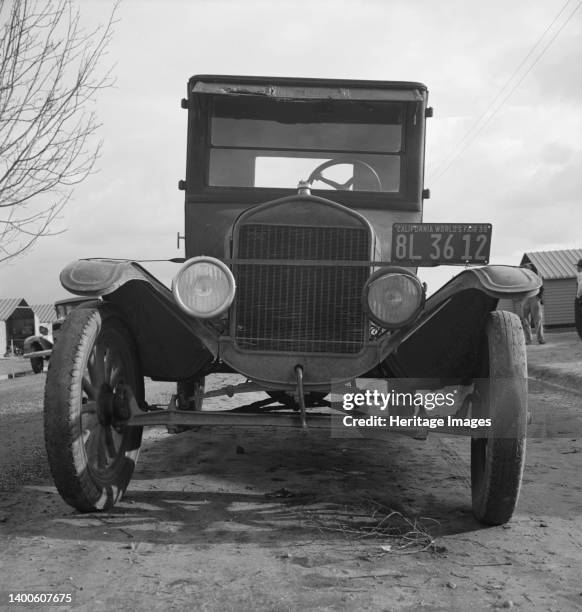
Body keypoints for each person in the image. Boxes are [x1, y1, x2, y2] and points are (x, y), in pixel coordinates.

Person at [520, 262, 546, 345]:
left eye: (526, 268)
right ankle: (528, 340)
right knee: (525, 320)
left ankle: (540, 338)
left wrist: (539, 297)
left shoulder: (536, 277)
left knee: (537, 320)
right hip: (525, 299)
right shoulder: (521, 279)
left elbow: (542, 288)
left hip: (535, 297)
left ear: (530, 269)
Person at [575, 259, 582, 340]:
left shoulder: (580, 274)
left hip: (580, 298)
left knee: (579, 318)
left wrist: (578, 296)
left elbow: (581, 285)